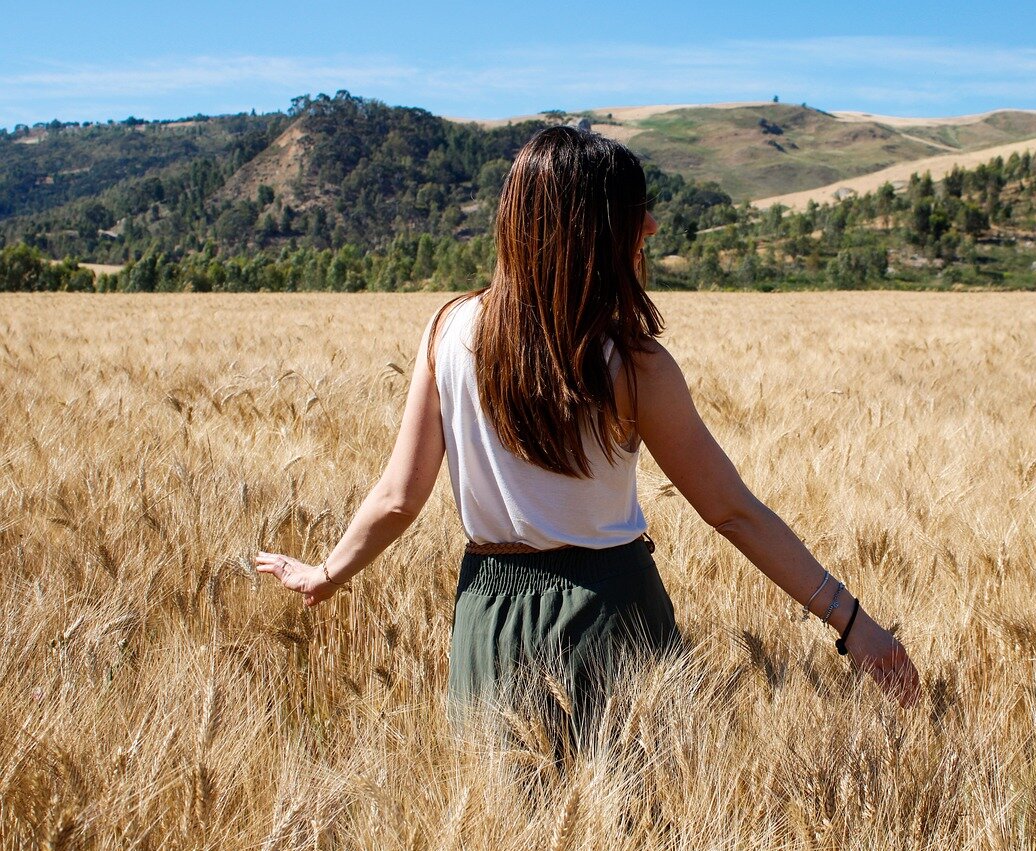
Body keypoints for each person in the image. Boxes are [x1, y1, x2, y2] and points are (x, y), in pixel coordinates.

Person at [256, 126, 920, 717]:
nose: (654, 226)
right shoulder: (634, 365)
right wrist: (852, 621)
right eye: (637, 211)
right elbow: (733, 513)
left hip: (488, 619)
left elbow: (399, 498)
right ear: (594, 230)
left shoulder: (446, 328)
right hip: (613, 614)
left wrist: (328, 573)